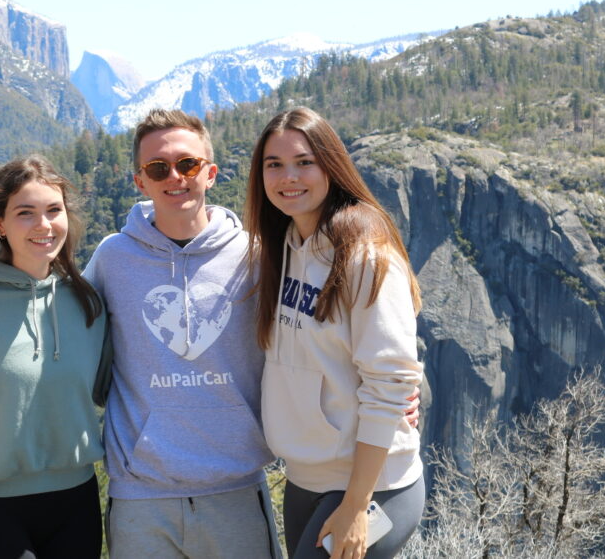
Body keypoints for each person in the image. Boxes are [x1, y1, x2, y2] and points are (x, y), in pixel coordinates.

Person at [84, 109, 281, 558]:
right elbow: (56, 319)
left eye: (188, 164)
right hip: (141, 496)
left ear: (210, 173)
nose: (175, 177)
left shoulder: (255, 257)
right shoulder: (112, 259)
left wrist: (386, 383)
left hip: (236, 489)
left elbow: (311, 333)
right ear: (140, 182)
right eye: (158, 168)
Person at [244, 107, 425, 559]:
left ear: (332, 165)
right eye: (275, 164)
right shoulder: (283, 245)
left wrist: (357, 505)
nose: (290, 176)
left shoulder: (365, 256)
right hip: (306, 477)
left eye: (305, 161)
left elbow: (392, 379)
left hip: (371, 486)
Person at [0, 155, 109, 558]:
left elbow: (109, 390)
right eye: (25, 213)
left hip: (77, 503)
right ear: (0, 223)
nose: (43, 225)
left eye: (53, 211)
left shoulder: (88, 303)